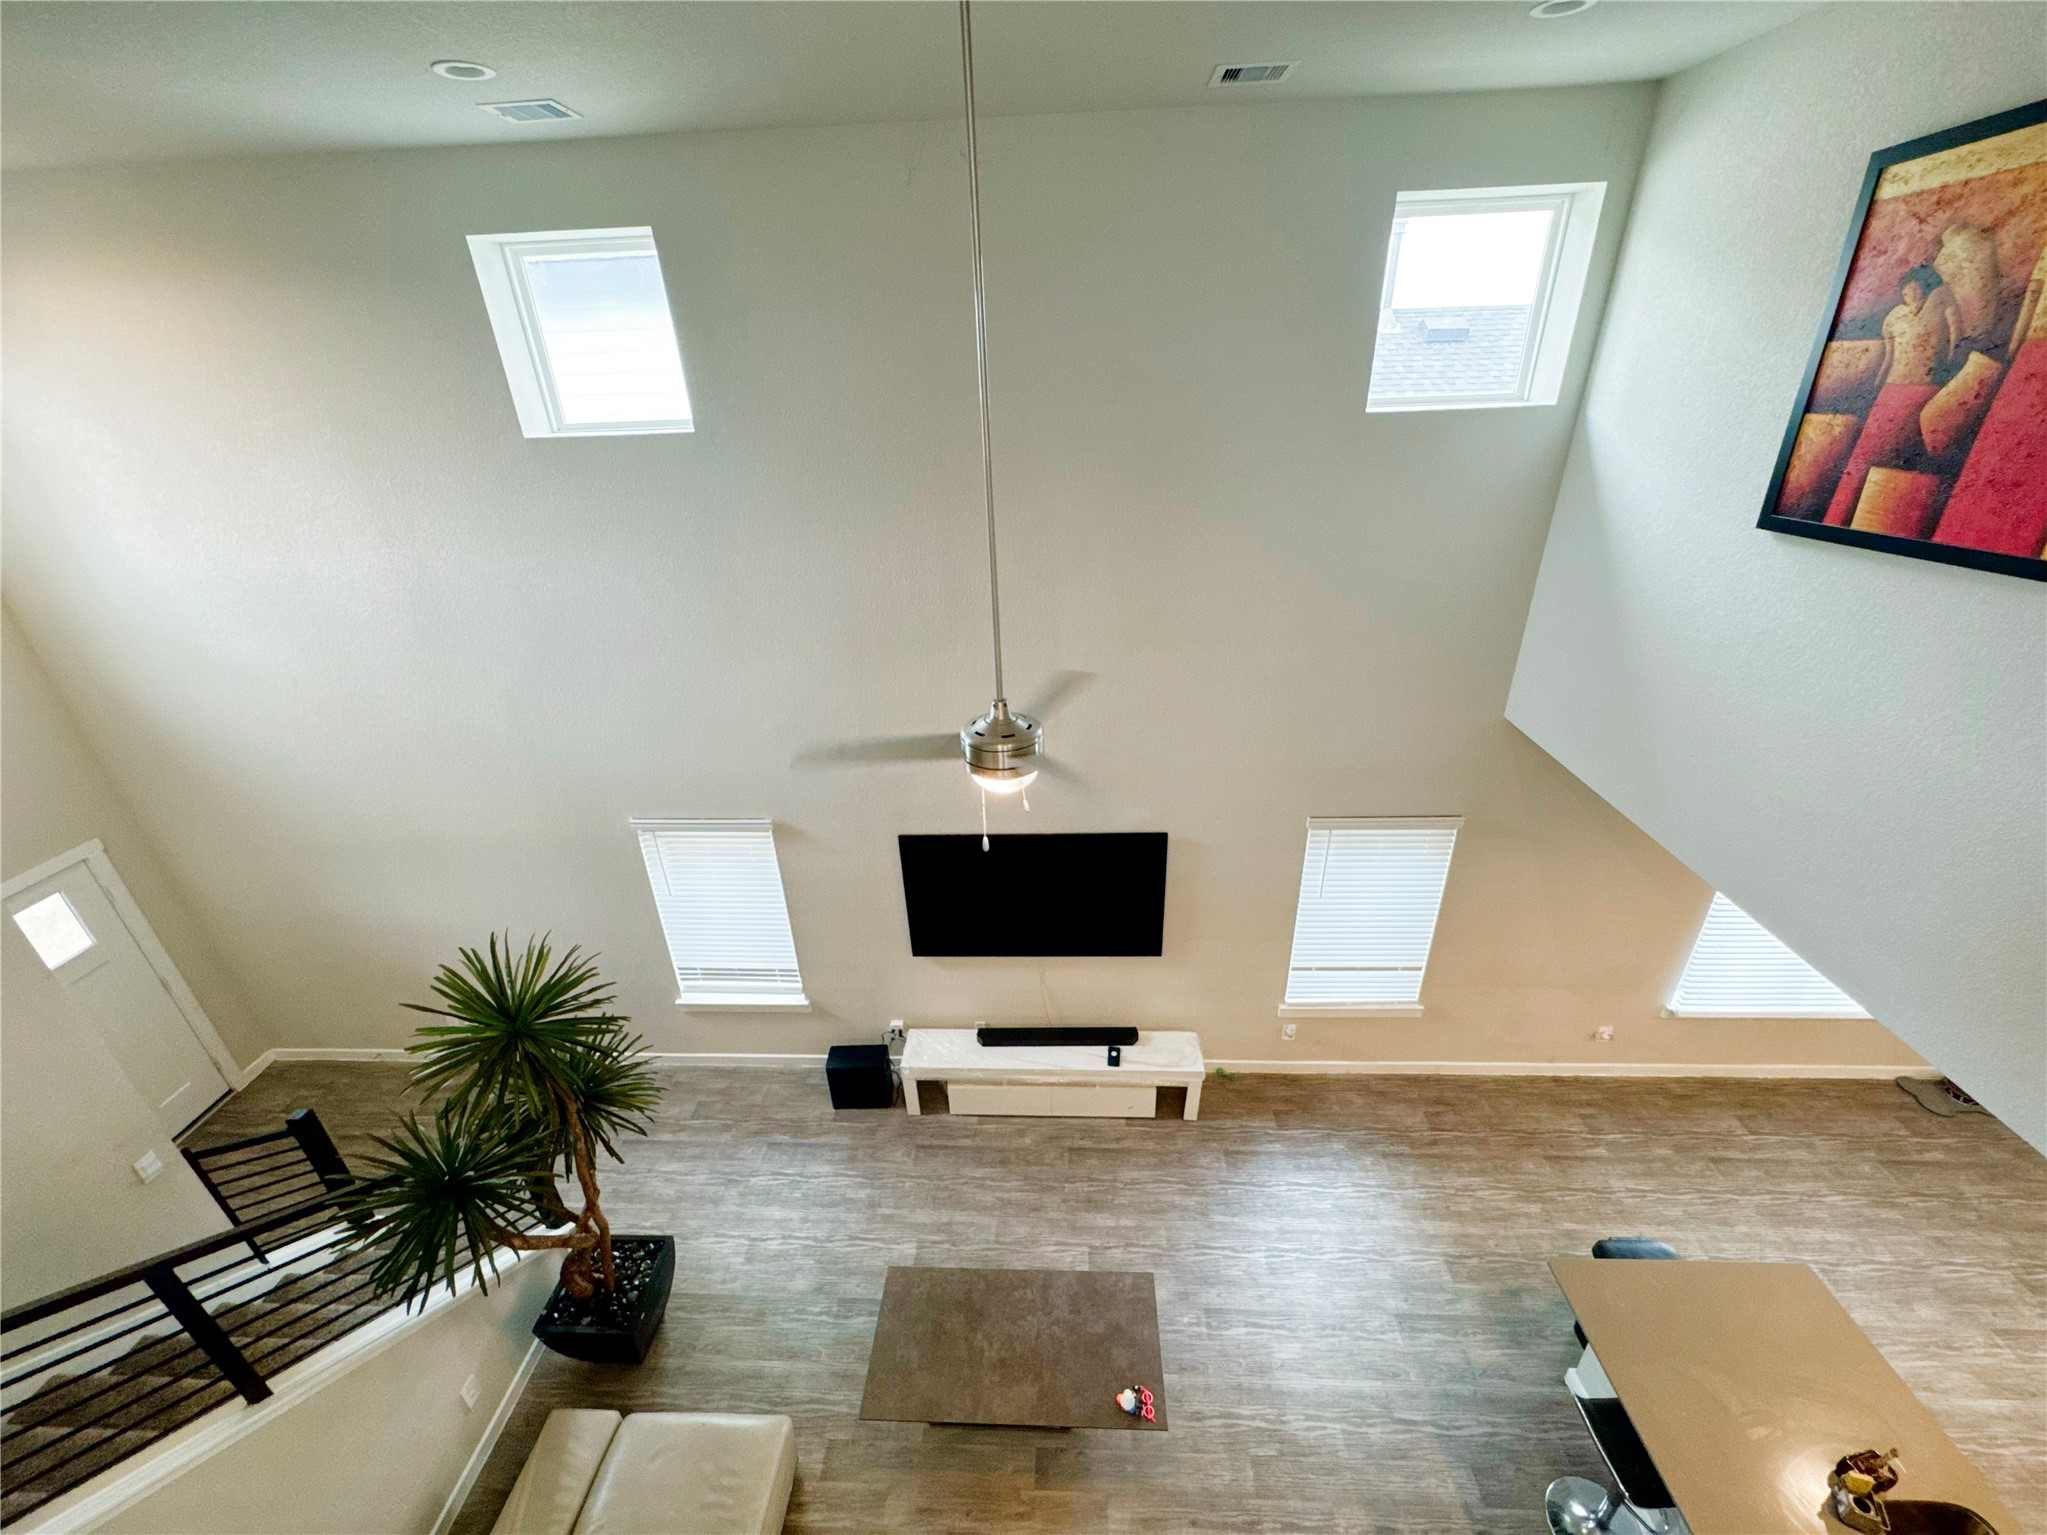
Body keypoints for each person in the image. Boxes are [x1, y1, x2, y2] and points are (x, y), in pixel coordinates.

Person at [1823, 264, 1966, 526]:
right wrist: (1878, 386)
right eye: (1906, 290)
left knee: (1900, 458)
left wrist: (1946, 372)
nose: (1910, 294)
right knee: (1865, 454)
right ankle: (1838, 517)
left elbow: (1956, 341)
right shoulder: (1895, 317)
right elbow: (1889, 357)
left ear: (1925, 288)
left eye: (1915, 288)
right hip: (1892, 390)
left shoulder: (1941, 302)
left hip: (1923, 388)